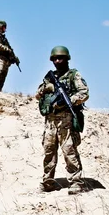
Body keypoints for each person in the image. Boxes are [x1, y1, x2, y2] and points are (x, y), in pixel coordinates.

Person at [35, 46, 89, 194]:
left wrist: (69, 100)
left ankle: (75, 182)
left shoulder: (73, 75)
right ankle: (48, 182)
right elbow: (38, 95)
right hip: (51, 121)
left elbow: (84, 93)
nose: (58, 61)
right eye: (55, 59)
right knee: (49, 151)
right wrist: (48, 88)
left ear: (67, 59)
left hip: (66, 120)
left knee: (69, 151)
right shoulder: (49, 77)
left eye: (61, 58)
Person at [0, 20, 19, 92]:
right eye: (4, 27)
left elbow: (10, 50)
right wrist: (7, 49)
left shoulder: (3, 38)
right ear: (0, 27)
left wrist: (14, 58)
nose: (5, 29)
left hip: (5, 60)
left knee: (2, 77)